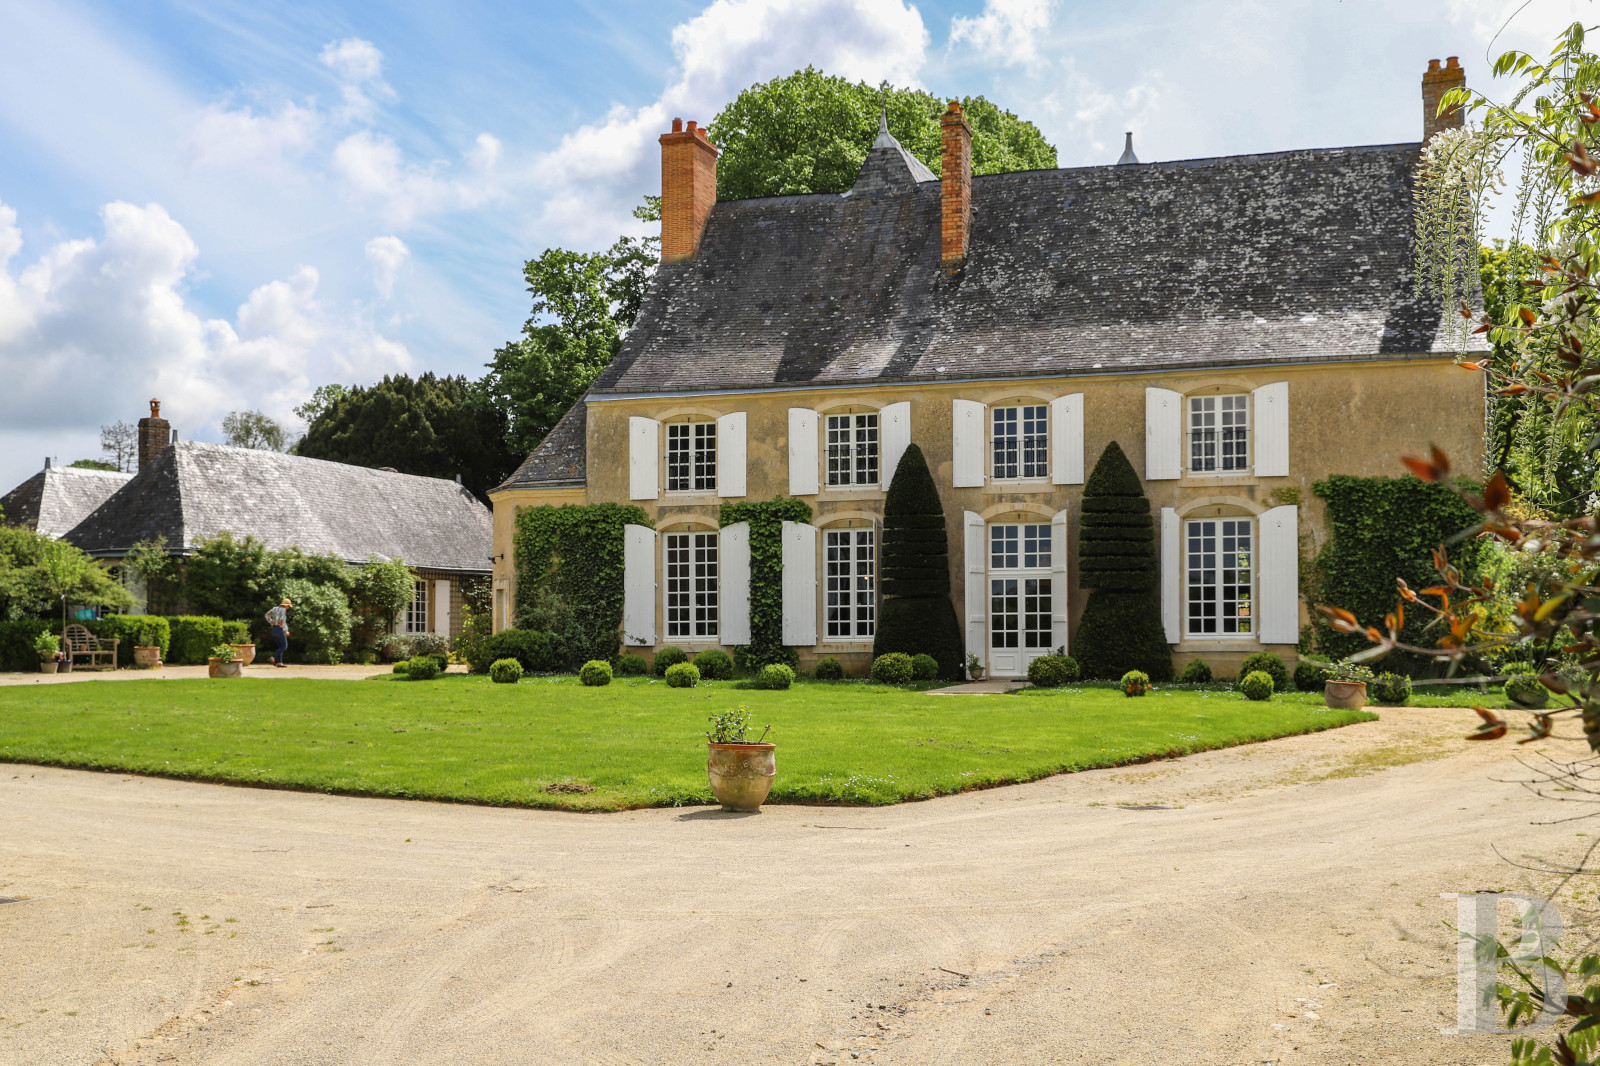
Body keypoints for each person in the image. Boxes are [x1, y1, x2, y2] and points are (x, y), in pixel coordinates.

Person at [265, 598, 291, 668]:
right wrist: (286, 630)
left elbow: (267, 615)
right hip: (280, 629)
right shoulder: (283, 610)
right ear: (286, 605)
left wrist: (271, 622)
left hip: (274, 629)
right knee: (284, 646)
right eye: (288, 606)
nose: (288, 608)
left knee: (280, 646)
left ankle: (279, 662)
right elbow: (282, 621)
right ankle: (273, 657)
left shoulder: (274, 609)